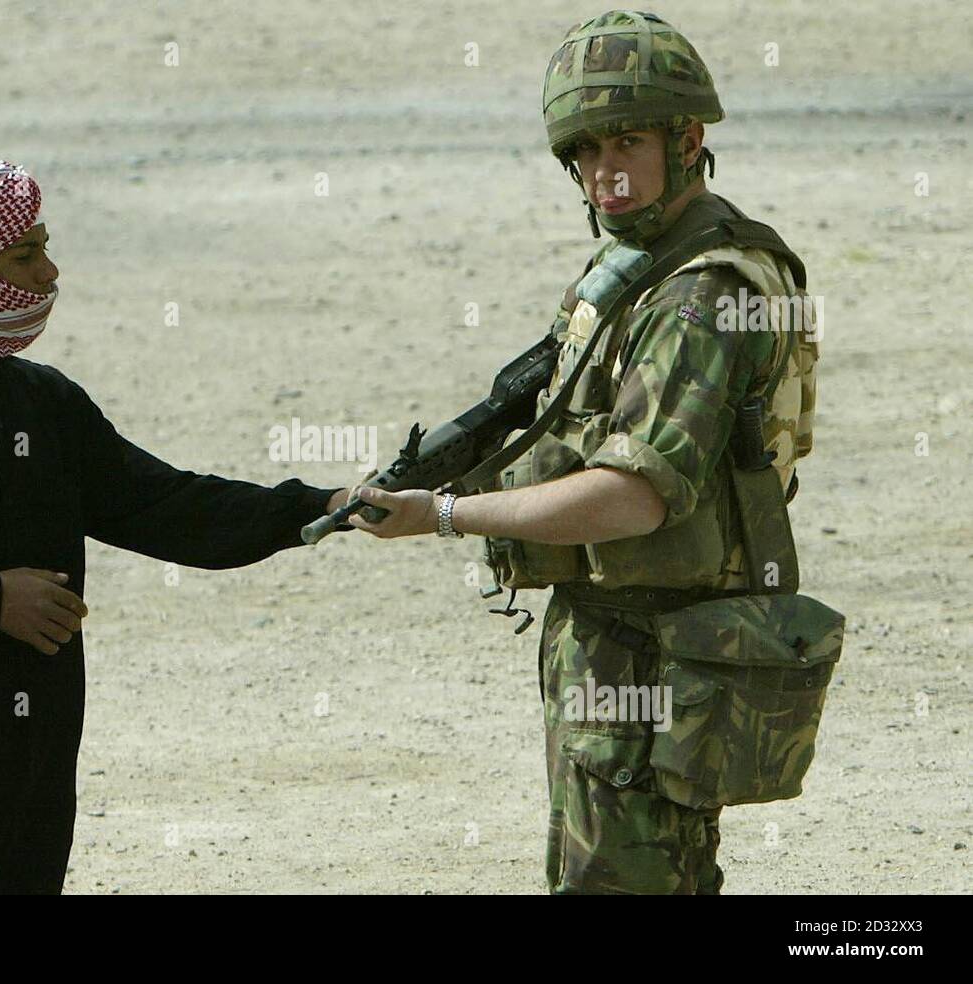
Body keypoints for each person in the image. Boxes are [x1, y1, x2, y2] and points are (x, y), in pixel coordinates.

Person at [344, 11, 825, 893]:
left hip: (658, 644)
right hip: (617, 631)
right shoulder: (639, 264)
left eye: (629, 143)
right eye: (586, 152)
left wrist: (444, 515)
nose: (605, 175)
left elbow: (632, 495)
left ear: (688, 140)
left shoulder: (702, 295)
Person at [0, 154, 354, 893]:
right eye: (26, 254)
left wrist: (323, 507)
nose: (50, 275)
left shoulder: (40, 403)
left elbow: (168, 508)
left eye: (46, 249)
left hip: (24, 779)